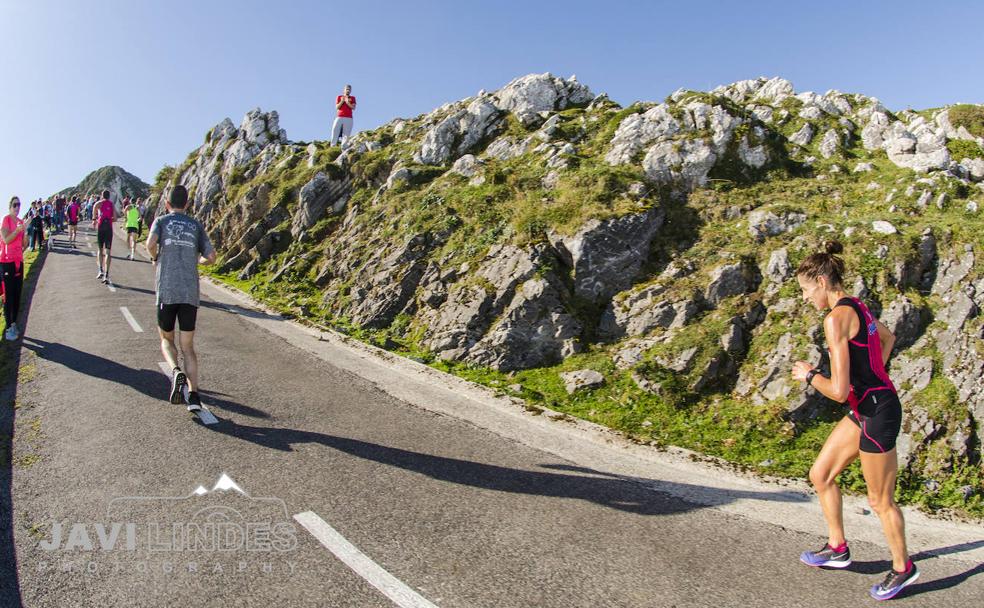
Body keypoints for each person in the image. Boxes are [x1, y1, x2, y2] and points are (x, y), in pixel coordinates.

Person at [792, 241, 917, 601]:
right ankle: (837, 548)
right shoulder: (857, 305)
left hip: (877, 412)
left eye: (805, 290)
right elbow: (888, 337)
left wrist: (810, 374)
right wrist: (873, 375)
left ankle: (903, 568)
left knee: (880, 501)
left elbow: (837, 389)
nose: (804, 298)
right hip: (869, 404)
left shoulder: (835, 319)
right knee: (821, 474)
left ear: (821, 280)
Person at [146, 185, 217, 412]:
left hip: (166, 291)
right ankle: (194, 397)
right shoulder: (195, 226)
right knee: (188, 347)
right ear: (186, 204)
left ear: (167, 203)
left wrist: (155, 256)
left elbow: (149, 244)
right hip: (189, 293)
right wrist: (198, 262)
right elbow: (212, 257)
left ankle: (175, 371)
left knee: (166, 339)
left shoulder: (161, 221)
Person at [1, 197, 26, 340]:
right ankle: (8, 327)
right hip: (6, 262)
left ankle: (14, 323)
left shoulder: (20, 222)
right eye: (15, 205)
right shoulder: (6, 219)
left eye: (19, 205)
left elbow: (24, 245)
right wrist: (17, 231)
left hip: (19, 261)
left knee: (17, 294)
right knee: (8, 295)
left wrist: (25, 234)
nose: (17, 207)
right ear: (10, 206)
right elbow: (6, 240)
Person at [93, 190, 115, 283]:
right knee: (108, 252)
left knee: (100, 249)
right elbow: (116, 218)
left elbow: (94, 215)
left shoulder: (98, 203)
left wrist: (95, 220)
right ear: (109, 196)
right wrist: (109, 219)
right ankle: (106, 274)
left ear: (102, 195)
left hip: (101, 228)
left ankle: (100, 270)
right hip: (109, 229)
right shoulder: (111, 204)